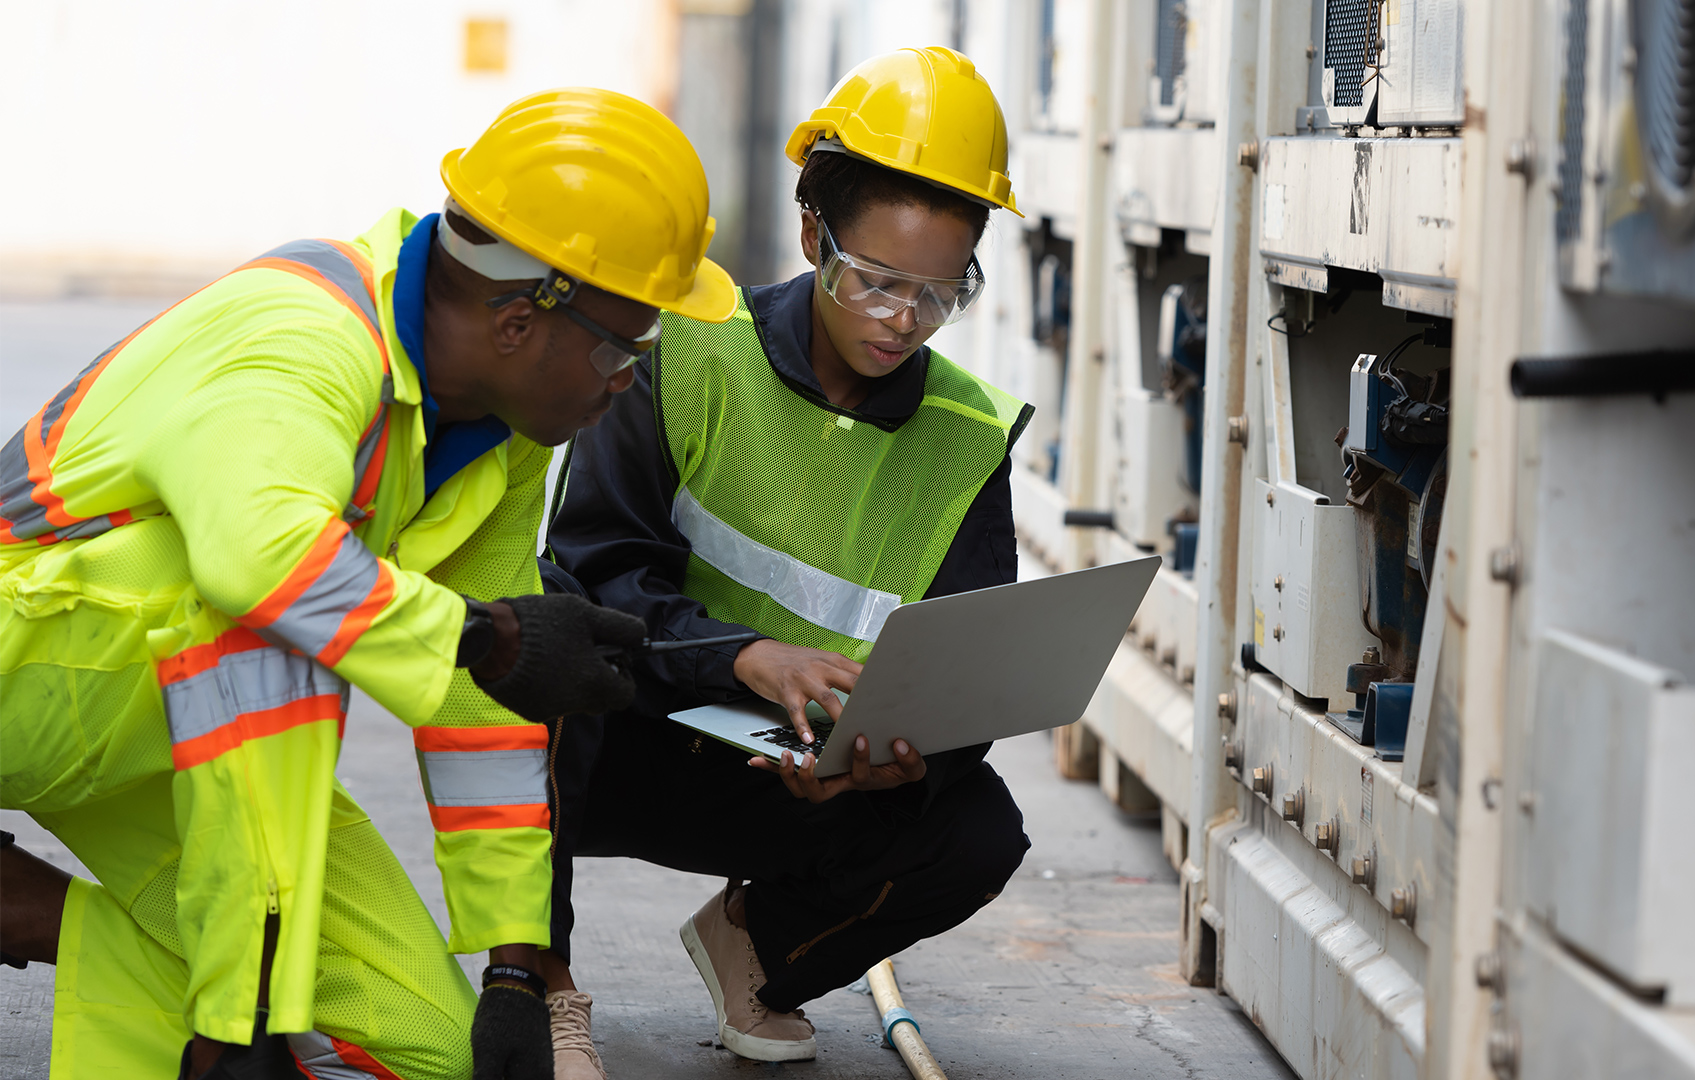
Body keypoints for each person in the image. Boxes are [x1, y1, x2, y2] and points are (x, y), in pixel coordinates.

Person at [0, 88, 736, 1080]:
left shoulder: (507, 438)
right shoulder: (303, 333)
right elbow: (259, 559)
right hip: (32, 667)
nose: (625, 381)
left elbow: (483, 699)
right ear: (519, 321)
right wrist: (487, 637)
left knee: (429, 1047)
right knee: (272, 602)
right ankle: (234, 1027)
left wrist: (515, 970)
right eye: (624, 349)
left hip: (154, 726)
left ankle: (44, 919)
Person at [538, 46, 1034, 1073]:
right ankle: (541, 984)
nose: (903, 320)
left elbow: (964, 671)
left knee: (979, 831)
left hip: (801, 779)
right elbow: (593, 567)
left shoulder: (966, 438)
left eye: (940, 293)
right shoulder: (686, 349)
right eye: (877, 282)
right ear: (814, 236)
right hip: (630, 743)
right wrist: (744, 655)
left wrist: (889, 762)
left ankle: (757, 952)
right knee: (542, 661)